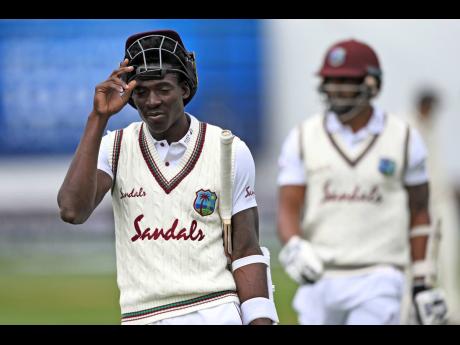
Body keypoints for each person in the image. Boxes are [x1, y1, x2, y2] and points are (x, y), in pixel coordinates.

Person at [57, 29, 278, 325]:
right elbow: (72, 210)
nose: (152, 101)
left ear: (184, 89)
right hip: (142, 315)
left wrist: (261, 319)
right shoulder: (116, 146)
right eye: (141, 92)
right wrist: (98, 118)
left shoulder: (228, 150)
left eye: (163, 89)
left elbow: (246, 249)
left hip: (215, 311)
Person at [276, 39, 447, 325]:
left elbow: (419, 211)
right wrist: (293, 244)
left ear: (372, 84)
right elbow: (288, 205)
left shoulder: (404, 138)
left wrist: (422, 280)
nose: (336, 89)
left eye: (346, 80)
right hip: (320, 274)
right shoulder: (303, 137)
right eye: (330, 80)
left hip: (380, 273)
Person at [404, 89, 460, 323]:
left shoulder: (430, 127)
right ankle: (410, 312)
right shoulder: (406, 126)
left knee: (448, 261)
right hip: (417, 206)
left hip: (441, 201)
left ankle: (452, 313)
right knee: (415, 264)